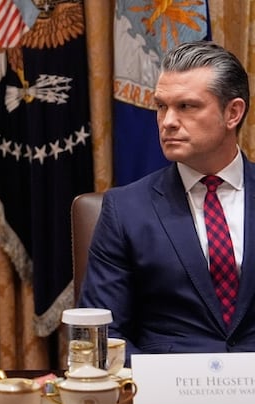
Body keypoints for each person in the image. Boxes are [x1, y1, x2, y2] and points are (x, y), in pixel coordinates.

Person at [79, 40, 255, 359]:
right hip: (165, 395)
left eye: (186, 106)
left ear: (233, 113)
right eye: (162, 106)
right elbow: (101, 332)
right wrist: (159, 387)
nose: (168, 121)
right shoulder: (126, 210)